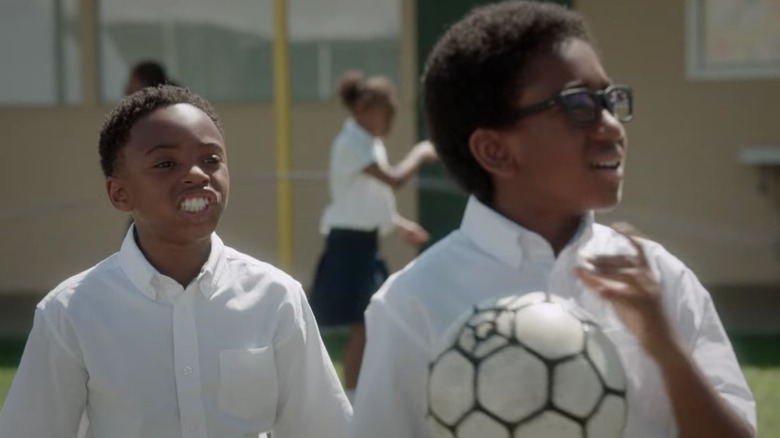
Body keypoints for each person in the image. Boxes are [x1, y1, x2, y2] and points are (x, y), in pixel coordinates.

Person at [350, 2, 756, 438]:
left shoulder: (659, 282)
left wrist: (667, 349)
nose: (611, 127)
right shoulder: (414, 304)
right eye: (578, 104)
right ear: (495, 150)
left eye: (610, 100)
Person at [0, 86, 352, 438]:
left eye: (212, 160)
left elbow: (324, 428)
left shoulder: (276, 298)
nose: (198, 174)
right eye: (166, 163)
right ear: (120, 193)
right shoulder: (71, 313)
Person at [310, 70, 438, 403]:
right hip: (347, 244)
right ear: (365, 108)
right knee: (360, 324)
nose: (391, 121)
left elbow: (367, 196)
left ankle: (359, 392)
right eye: (387, 113)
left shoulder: (369, 142)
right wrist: (421, 153)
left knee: (369, 320)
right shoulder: (351, 142)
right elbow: (393, 179)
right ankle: (349, 398)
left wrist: (397, 223)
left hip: (365, 243)